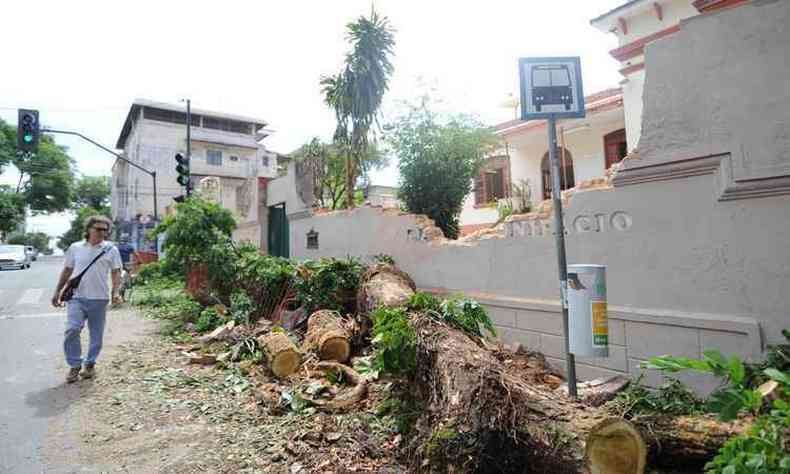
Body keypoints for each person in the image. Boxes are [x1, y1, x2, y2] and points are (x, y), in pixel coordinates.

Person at [52, 216, 123, 383]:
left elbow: (116, 272)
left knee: (96, 335)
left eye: (105, 230)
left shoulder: (111, 249)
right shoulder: (75, 248)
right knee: (72, 329)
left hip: (99, 298)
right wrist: (57, 291)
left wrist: (116, 292)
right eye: (98, 229)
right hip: (76, 297)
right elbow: (68, 270)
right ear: (89, 229)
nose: (102, 233)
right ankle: (75, 365)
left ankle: (90, 363)